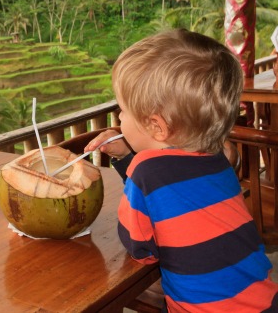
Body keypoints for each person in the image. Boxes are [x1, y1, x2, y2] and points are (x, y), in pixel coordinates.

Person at [84, 29, 278, 312]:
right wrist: (127, 155)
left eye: (123, 110)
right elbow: (170, 193)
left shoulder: (145, 171)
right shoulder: (217, 158)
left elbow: (140, 247)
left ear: (156, 127)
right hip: (262, 298)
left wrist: (132, 163)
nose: (119, 117)